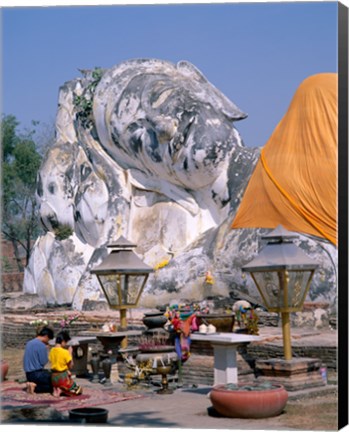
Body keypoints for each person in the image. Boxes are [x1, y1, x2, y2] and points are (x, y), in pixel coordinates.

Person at [49, 330, 82, 397]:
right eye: (66, 342)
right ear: (63, 341)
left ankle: (57, 388)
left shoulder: (52, 350)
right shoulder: (65, 352)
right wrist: (70, 354)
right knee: (78, 390)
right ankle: (61, 389)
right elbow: (71, 366)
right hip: (62, 378)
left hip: (53, 377)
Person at [23, 326, 54, 394]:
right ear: (46, 336)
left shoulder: (29, 343)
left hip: (28, 374)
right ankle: (36, 388)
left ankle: (31, 384)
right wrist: (47, 350)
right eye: (48, 339)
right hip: (37, 374)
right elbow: (43, 361)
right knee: (55, 382)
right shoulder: (42, 345)